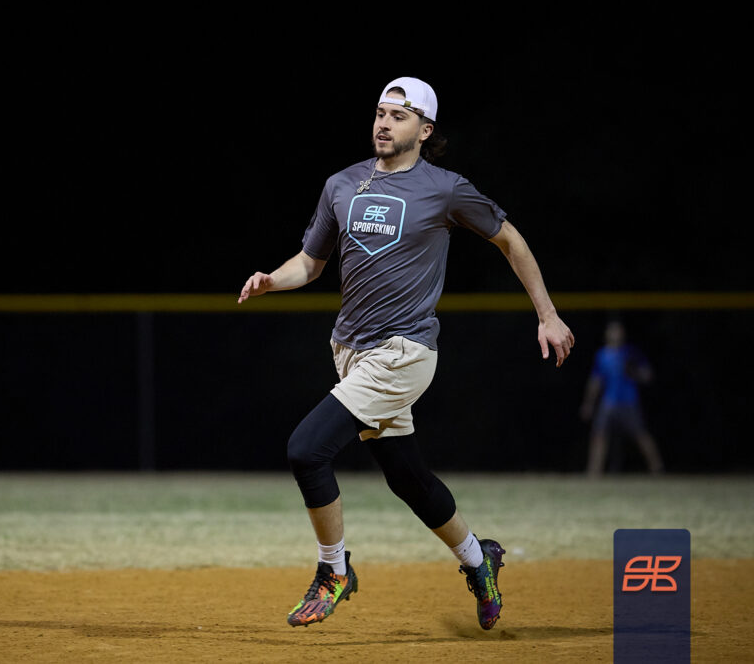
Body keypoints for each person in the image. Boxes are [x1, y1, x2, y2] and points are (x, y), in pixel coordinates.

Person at [237, 76, 574, 631]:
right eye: (380, 112)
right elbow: (311, 263)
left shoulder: (445, 189)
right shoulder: (342, 184)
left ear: (425, 129)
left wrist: (547, 313)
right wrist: (273, 279)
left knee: (307, 450)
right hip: (349, 350)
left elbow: (510, 239)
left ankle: (333, 571)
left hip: (403, 352)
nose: (384, 122)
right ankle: (478, 558)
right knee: (405, 475)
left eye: (399, 115)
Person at [579, 320, 664, 477]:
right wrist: (588, 404)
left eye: (618, 331)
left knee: (640, 434)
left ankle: (657, 468)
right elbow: (595, 382)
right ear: (606, 334)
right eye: (612, 331)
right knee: (599, 434)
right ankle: (593, 472)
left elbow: (648, 375)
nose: (615, 334)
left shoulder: (630, 353)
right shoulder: (602, 355)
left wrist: (634, 371)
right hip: (608, 402)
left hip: (629, 402)